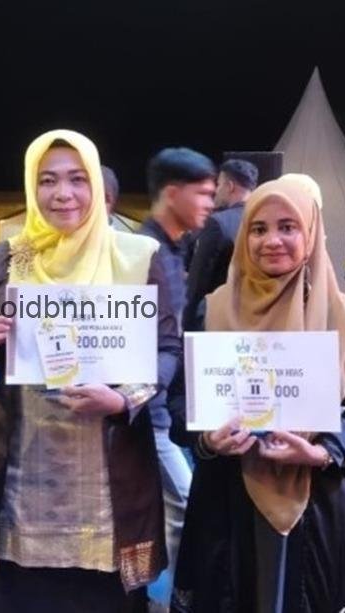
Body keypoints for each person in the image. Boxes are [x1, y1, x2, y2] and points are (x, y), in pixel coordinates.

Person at [0, 129, 181, 612]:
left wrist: (124, 398)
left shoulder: (137, 256)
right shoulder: (8, 256)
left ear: (97, 185)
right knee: (22, 594)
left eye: (77, 179)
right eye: (47, 180)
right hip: (22, 464)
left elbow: (167, 348)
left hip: (107, 466)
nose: (62, 193)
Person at [171, 174, 345, 612]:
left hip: (321, 504)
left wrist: (324, 452)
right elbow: (181, 400)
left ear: (310, 234)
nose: (272, 240)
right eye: (259, 228)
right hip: (228, 502)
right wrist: (207, 439)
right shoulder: (211, 312)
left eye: (288, 227)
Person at [136, 147, 216, 592]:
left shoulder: (174, 249)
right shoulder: (145, 252)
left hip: (166, 406)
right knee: (184, 505)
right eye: (202, 193)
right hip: (149, 409)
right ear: (172, 193)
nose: (209, 203)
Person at [184, 158, 258, 331]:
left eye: (218, 185)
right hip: (255, 320)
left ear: (229, 186)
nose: (216, 191)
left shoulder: (217, 224)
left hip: (217, 323)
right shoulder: (262, 221)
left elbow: (198, 284)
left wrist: (185, 329)